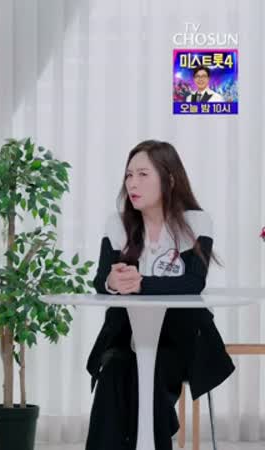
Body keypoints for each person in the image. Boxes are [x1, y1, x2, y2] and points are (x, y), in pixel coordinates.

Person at [86, 140, 234, 450]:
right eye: (129, 175)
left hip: (181, 338)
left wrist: (140, 283)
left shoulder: (196, 222)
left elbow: (193, 282)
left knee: (148, 371)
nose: (132, 184)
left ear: (169, 179)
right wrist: (113, 281)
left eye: (143, 174)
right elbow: (101, 281)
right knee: (113, 369)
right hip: (126, 335)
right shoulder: (118, 224)